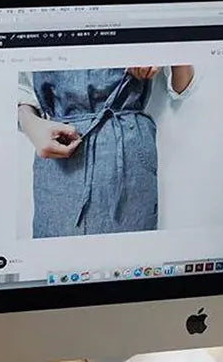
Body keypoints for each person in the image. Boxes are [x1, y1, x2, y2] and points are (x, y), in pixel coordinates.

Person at [18, 65, 195, 238]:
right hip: (59, 151)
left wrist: (164, 49)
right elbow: (20, 88)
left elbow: (183, 87)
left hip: (129, 154)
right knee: (54, 260)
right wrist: (30, 124)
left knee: (130, 259)